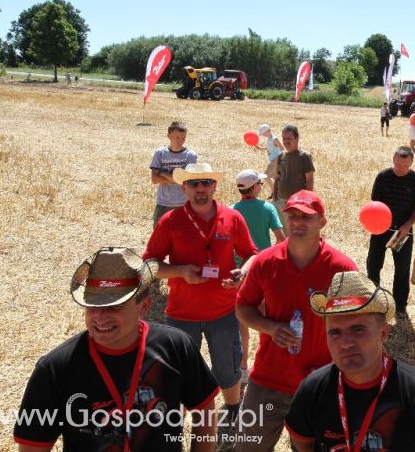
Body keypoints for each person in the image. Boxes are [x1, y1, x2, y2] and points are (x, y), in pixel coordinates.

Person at [14, 247, 219, 451]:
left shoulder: (176, 347)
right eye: (92, 305)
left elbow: (205, 412)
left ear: (144, 306)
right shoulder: (54, 369)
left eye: (114, 306)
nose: (100, 318)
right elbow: (33, 446)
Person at [234, 190, 358, 451]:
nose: (298, 222)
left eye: (306, 217)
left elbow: (355, 324)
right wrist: (270, 327)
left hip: (319, 383)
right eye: (292, 216)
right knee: (248, 447)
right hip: (268, 381)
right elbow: (243, 307)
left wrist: (332, 369)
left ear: (322, 222)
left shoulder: (342, 268)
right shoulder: (265, 262)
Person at [285, 271, 415, 451]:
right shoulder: (311, 391)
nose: (345, 343)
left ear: (383, 333)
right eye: (335, 332)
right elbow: (302, 443)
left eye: (358, 329)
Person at [144, 163, 258, 426]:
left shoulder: (232, 218)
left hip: (225, 312)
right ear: (183, 187)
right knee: (178, 374)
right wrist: (181, 271)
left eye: (206, 182)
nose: (200, 189)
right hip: (182, 315)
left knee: (228, 369)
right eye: (194, 184)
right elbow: (150, 264)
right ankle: (173, 429)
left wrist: (243, 272)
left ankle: (231, 416)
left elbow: (251, 253)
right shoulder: (170, 221)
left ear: (215, 186)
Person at [231, 169, 285, 385]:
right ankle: (267, 364)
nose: (262, 187)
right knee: (266, 320)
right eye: (260, 185)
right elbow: (281, 239)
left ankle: (243, 367)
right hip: (264, 270)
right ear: (254, 188)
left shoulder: (231, 211)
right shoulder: (267, 208)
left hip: (239, 270)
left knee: (242, 320)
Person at [366, 146, 415, 319]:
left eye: (404, 165)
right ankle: (373, 300)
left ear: (411, 164)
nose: (399, 168)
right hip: (380, 230)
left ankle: (400, 306)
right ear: (393, 160)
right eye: (397, 164)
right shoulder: (383, 177)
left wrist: (408, 225)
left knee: (401, 270)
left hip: (401, 233)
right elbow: (375, 204)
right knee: (373, 264)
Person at [150, 121, 198, 227]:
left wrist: (163, 173)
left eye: (183, 138)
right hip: (163, 202)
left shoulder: (190, 155)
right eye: (177, 137)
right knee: (160, 236)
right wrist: (176, 179)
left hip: (184, 203)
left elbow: (186, 180)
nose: (180, 141)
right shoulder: (160, 153)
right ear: (168, 135)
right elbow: (154, 179)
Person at [273, 124, 315, 236]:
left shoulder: (304, 157)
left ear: (297, 139)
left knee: (298, 233)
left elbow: (310, 181)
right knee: (286, 232)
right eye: (284, 138)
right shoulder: (281, 155)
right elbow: (277, 176)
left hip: (297, 203)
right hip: (281, 201)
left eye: (289, 138)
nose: (286, 141)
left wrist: (306, 202)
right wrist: (274, 197)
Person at [255, 124, 284, 199]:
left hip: (276, 161)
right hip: (273, 161)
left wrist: (277, 159)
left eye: (264, 133)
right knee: (276, 178)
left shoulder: (275, 139)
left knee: (266, 176)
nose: (263, 135)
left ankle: (275, 193)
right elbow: (268, 148)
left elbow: (283, 149)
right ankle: (278, 193)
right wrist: (259, 148)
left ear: (268, 131)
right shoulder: (269, 139)